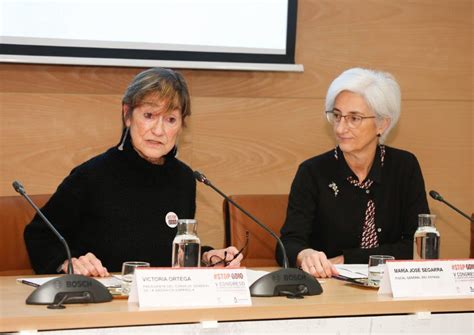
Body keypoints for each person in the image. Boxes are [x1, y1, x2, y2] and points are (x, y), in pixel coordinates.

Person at [24, 67, 242, 276]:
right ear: (127, 114)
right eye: (149, 115)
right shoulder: (91, 176)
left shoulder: (184, 178)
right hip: (104, 302)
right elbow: (39, 235)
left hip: (163, 302)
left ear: (181, 126)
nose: (158, 130)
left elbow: (167, 252)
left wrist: (207, 258)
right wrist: (67, 261)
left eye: (170, 119)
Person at [277, 67, 429, 278]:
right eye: (337, 116)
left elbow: (417, 245)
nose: (340, 128)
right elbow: (288, 243)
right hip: (329, 286)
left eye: (354, 118)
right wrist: (305, 254)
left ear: (382, 124)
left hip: (394, 285)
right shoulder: (312, 172)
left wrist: (348, 258)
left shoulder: (404, 167)